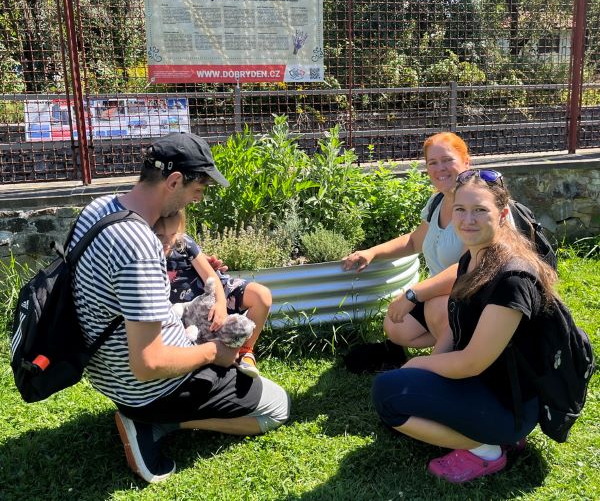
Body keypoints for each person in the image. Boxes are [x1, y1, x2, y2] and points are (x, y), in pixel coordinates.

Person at [69, 132, 290, 483]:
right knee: (278, 407)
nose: (198, 199)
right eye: (197, 190)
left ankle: (152, 415)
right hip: (151, 389)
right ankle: (158, 423)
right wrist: (212, 353)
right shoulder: (139, 246)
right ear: (173, 181)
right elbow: (148, 364)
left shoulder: (98, 209)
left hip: (108, 375)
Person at [371, 169, 559, 483]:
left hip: (508, 405)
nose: (467, 220)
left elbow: (472, 362)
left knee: (386, 394)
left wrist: (418, 364)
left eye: (479, 210)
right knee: (399, 387)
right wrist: (422, 372)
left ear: (502, 215)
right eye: (460, 209)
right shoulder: (474, 259)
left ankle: (487, 449)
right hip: (484, 385)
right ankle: (485, 432)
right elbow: (457, 330)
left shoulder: (512, 279)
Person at [342, 132, 470, 372]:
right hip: (441, 296)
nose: (440, 168)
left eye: (447, 160)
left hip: (474, 296)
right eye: (433, 162)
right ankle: (456, 340)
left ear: (466, 162)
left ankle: (437, 369)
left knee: (437, 307)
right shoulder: (438, 201)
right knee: (395, 325)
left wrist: (413, 294)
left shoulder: (475, 205)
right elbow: (414, 242)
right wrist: (371, 253)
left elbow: (468, 268)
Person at [153, 210, 272, 377]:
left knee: (262, 296)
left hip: (212, 292)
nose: (167, 242)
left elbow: (211, 276)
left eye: (173, 234)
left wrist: (220, 304)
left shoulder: (183, 243)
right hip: (187, 311)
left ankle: (245, 351)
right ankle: (221, 352)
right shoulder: (144, 255)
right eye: (159, 236)